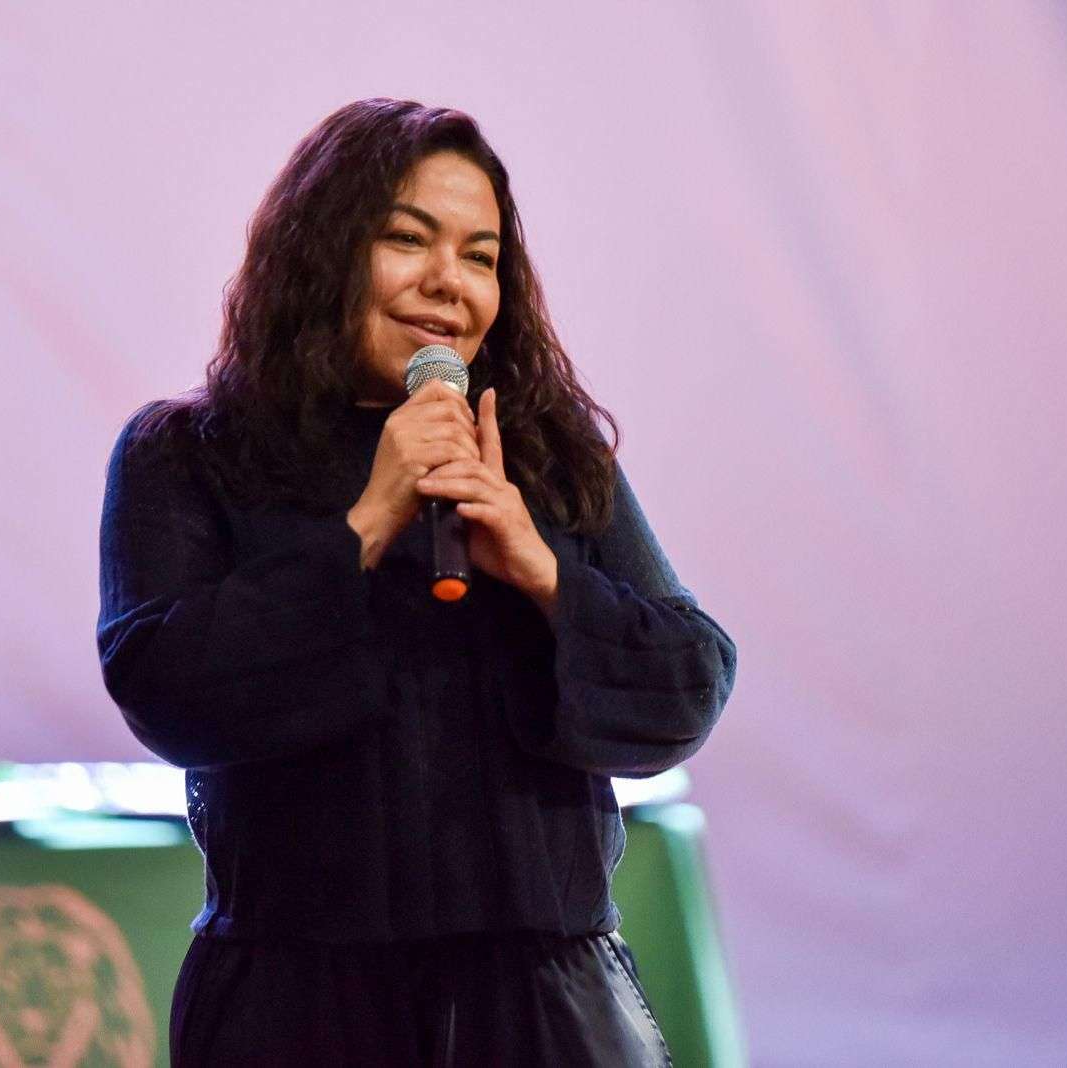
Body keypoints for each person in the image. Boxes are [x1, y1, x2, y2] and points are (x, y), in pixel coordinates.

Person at [96, 98, 737, 1067]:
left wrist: (540, 571)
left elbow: (686, 690)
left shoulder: (549, 454)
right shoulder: (190, 453)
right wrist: (365, 523)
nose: (448, 281)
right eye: (407, 239)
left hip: (545, 1002)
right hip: (296, 1002)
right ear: (320, 253)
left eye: (480, 256)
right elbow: (166, 690)